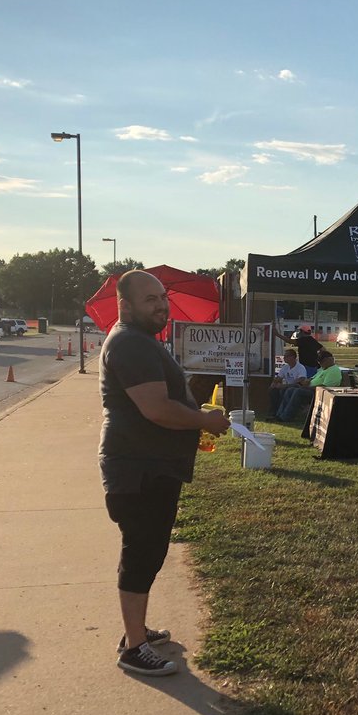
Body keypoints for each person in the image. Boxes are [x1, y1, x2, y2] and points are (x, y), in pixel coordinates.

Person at [100, 270, 231, 676]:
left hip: (152, 465)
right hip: (139, 468)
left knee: (150, 551)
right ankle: (133, 648)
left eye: (162, 298)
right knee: (141, 553)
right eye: (149, 299)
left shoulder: (141, 341)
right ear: (125, 304)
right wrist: (202, 420)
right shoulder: (129, 343)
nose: (160, 305)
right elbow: (156, 409)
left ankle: (135, 631)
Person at [274, 348, 342, 422]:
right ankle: (279, 414)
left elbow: (324, 387)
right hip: (309, 388)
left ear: (330, 359)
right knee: (290, 390)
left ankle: (286, 417)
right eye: (319, 362)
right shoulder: (323, 369)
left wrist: (308, 387)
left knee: (297, 392)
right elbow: (313, 378)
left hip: (318, 392)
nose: (320, 364)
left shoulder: (334, 371)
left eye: (322, 361)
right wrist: (307, 381)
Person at [269, 348, 306, 416]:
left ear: (292, 357)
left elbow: (301, 380)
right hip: (287, 386)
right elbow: (279, 377)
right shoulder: (285, 367)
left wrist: (284, 386)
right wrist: (274, 382)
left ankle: (282, 412)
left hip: (296, 387)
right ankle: (274, 410)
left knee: (284, 390)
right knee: (273, 390)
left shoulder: (300, 367)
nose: (284, 358)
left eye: (286, 356)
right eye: (284, 356)